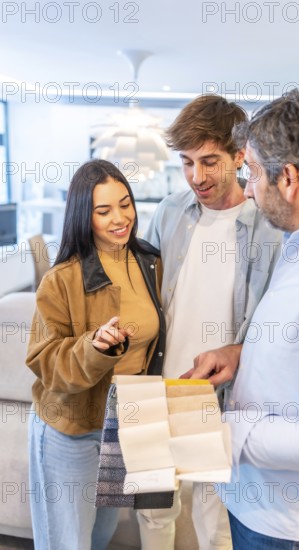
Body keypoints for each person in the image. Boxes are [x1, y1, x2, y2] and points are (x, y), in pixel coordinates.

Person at [190, 86, 299, 549]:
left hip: (286, 527)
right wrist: (241, 354)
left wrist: (222, 428)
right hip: (258, 501)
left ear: (287, 178)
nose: (248, 189)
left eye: (250, 173)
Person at [142, 94, 283, 550]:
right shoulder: (168, 212)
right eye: (186, 162)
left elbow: (274, 321)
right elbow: (143, 292)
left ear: (240, 155)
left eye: (209, 161)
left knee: (215, 519)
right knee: (154, 511)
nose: (196, 177)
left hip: (218, 396)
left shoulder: (268, 226)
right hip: (159, 386)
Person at [26, 159, 167, 550]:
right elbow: (45, 362)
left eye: (125, 204)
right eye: (103, 211)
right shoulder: (63, 279)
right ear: (83, 216)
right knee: (67, 542)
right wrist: (94, 346)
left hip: (126, 421)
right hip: (72, 426)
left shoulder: (148, 261)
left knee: (101, 534)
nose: (120, 218)